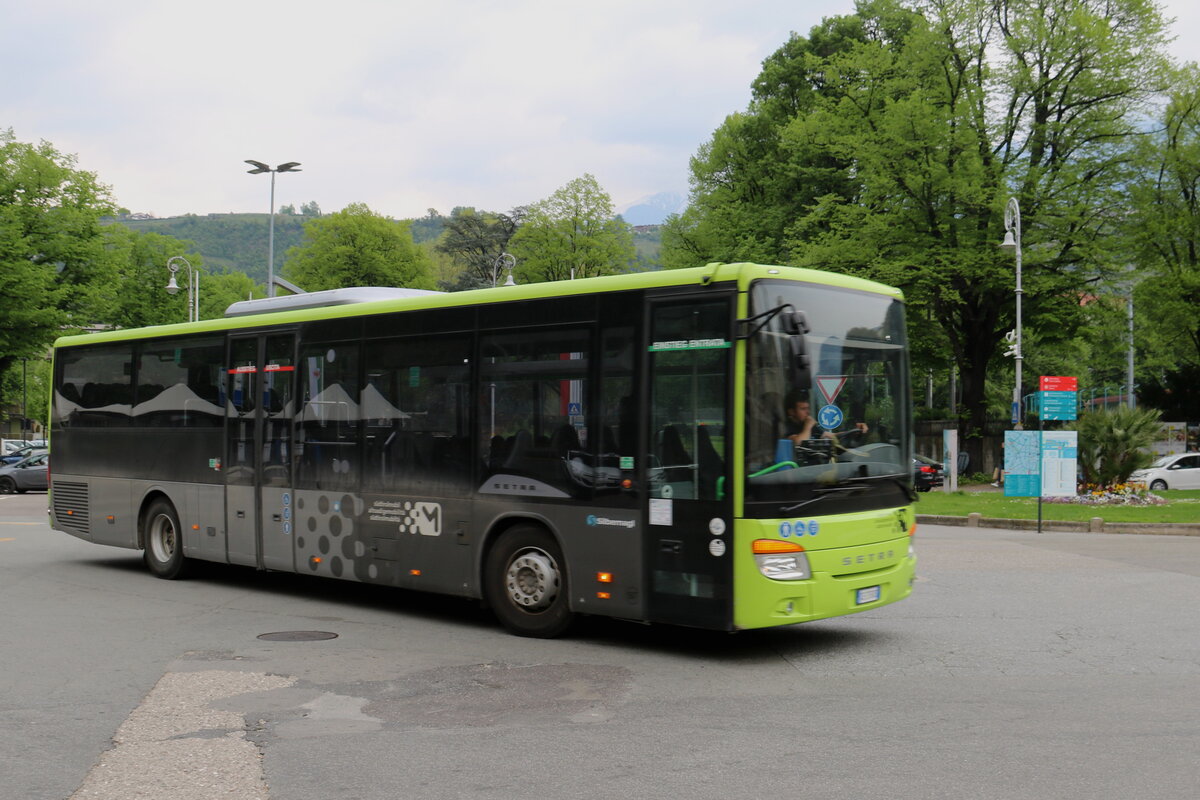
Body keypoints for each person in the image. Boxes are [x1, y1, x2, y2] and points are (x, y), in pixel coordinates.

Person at [782, 391, 868, 445]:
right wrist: (808, 426)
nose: (808, 412)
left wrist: (853, 431)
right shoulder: (786, 427)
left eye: (808, 408)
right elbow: (798, 442)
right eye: (803, 409)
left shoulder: (807, 425)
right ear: (791, 412)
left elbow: (831, 436)